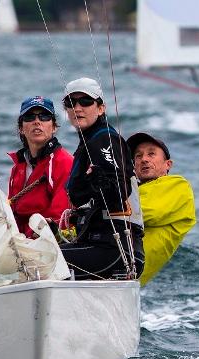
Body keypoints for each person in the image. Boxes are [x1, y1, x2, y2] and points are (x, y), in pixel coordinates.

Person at [59, 78, 145, 280]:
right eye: (71, 103)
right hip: (96, 244)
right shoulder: (87, 143)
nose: (77, 108)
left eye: (86, 102)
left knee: (38, 259)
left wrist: (102, 181)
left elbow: (118, 194)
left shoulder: (104, 138)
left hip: (116, 251)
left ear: (100, 108)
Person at [127, 132, 196, 285]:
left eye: (151, 154)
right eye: (138, 156)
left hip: (124, 270)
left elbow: (141, 214)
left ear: (168, 164)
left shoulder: (178, 185)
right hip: (114, 264)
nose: (144, 159)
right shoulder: (131, 191)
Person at [7, 96, 73, 237]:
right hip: (19, 240)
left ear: (54, 127)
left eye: (44, 116)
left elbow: (59, 216)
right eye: (29, 117)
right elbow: (11, 214)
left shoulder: (64, 163)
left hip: (47, 241)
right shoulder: (17, 168)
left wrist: (29, 237)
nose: (37, 121)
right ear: (21, 128)